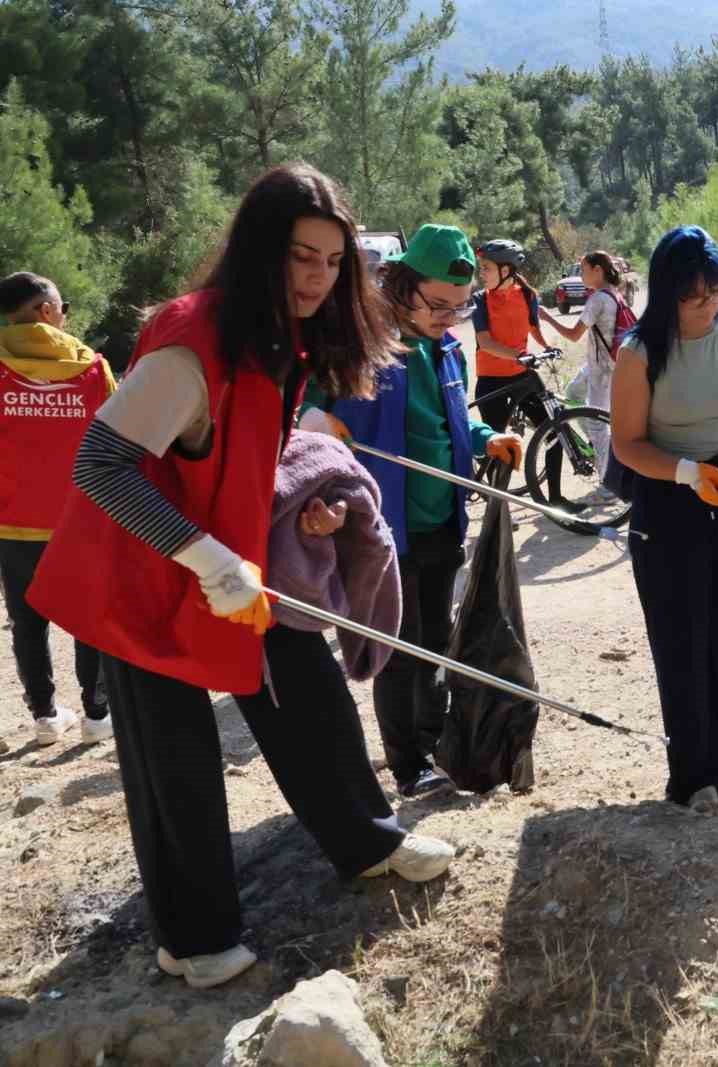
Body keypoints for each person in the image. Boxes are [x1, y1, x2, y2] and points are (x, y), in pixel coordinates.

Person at [27, 163, 456, 991]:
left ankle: (368, 840)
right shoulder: (191, 343)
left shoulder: (285, 341)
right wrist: (203, 555)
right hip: (137, 573)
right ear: (261, 250)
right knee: (174, 751)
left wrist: (304, 511)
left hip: (226, 563)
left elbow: (251, 450)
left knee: (303, 679)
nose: (317, 278)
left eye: (333, 263)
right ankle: (191, 940)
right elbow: (103, 464)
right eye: (301, 257)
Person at [302, 225, 523, 799]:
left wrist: (485, 438)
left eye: (460, 306)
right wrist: (322, 430)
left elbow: (450, 423)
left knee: (437, 636)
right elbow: (304, 418)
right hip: (382, 525)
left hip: (441, 517)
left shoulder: (447, 348)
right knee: (399, 646)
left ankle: (435, 742)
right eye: (438, 305)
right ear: (401, 286)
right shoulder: (356, 346)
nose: (450, 317)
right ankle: (406, 764)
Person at [610, 226, 718, 811]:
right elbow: (628, 444)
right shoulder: (639, 352)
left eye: (716, 292)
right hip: (668, 494)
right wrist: (685, 473)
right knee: (681, 636)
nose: (709, 306)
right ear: (667, 293)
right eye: (694, 296)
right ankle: (692, 773)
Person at [0, 272, 116, 745]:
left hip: (12, 521)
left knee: (27, 621)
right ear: (47, 311)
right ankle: (95, 716)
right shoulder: (93, 368)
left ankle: (45, 718)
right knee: (89, 616)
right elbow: (119, 444)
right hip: (80, 520)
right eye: (62, 307)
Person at [470, 239, 570, 508]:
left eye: (486, 268)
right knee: (497, 445)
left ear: (506, 270)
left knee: (555, 432)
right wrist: (519, 355)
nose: (482, 273)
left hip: (522, 377)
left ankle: (556, 498)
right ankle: (498, 507)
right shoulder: (480, 300)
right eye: (482, 268)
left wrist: (548, 347)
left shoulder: (528, 295)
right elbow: (486, 342)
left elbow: (534, 328)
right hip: (491, 380)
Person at [539, 250, 630, 486]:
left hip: (603, 371)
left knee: (597, 424)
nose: (581, 275)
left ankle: (609, 484)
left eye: (584, 270)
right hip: (597, 366)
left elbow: (573, 334)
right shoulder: (614, 293)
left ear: (598, 270)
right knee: (572, 395)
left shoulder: (599, 299)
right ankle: (600, 447)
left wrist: (547, 318)